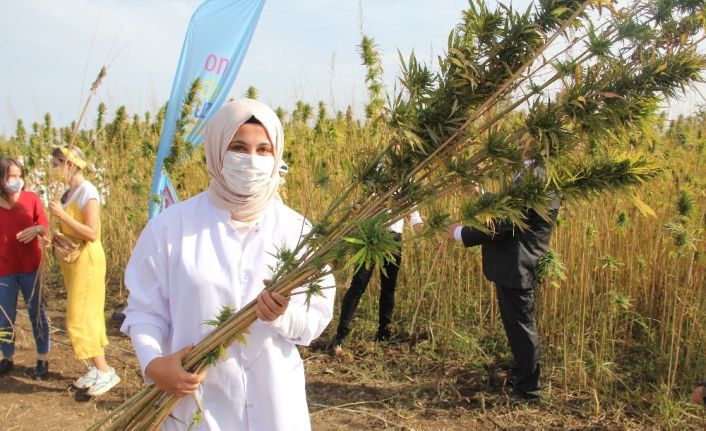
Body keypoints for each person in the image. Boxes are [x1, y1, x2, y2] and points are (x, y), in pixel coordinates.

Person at [121, 99, 335, 431]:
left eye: (263, 149)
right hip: (197, 406)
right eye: (238, 147)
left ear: (277, 155)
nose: (251, 159)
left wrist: (282, 316)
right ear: (217, 149)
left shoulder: (298, 232)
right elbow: (144, 312)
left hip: (276, 407)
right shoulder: (170, 228)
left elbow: (316, 316)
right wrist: (153, 364)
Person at [445, 161, 560, 403]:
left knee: (522, 327)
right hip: (512, 264)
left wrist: (460, 233)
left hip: (519, 264)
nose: (518, 141)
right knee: (515, 325)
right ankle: (521, 374)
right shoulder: (530, 172)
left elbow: (506, 224)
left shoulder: (537, 177)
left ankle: (529, 391)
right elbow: (511, 209)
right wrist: (481, 193)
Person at [48, 146, 120, 396]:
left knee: (79, 317)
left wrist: (61, 215)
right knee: (87, 314)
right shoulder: (68, 193)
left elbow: (92, 232)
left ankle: (105, 371)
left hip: (87, 261)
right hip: (72, 261)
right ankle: (95, 366)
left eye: (56, 164)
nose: (53, 169)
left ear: (70, 164)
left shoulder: (87, 191)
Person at [330, 211, 423, 352]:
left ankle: (384, 334)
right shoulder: (377, 188)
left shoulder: (405, 192)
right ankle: (340, 335)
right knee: (358, 285)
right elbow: (364, 209)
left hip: (393, 239)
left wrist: (432, 236)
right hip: (370, 235)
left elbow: (414, 219)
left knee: (389, 287)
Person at [0, 157, 51, 379]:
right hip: (4, 270)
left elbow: (45, 224)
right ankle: (7, 356)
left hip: (31, 267)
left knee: (37, 314)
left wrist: (38, 229)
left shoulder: (31, 199)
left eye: (20, 176)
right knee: (4, 318)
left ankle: (43, 359)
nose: (17, 181)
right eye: (12, 176)